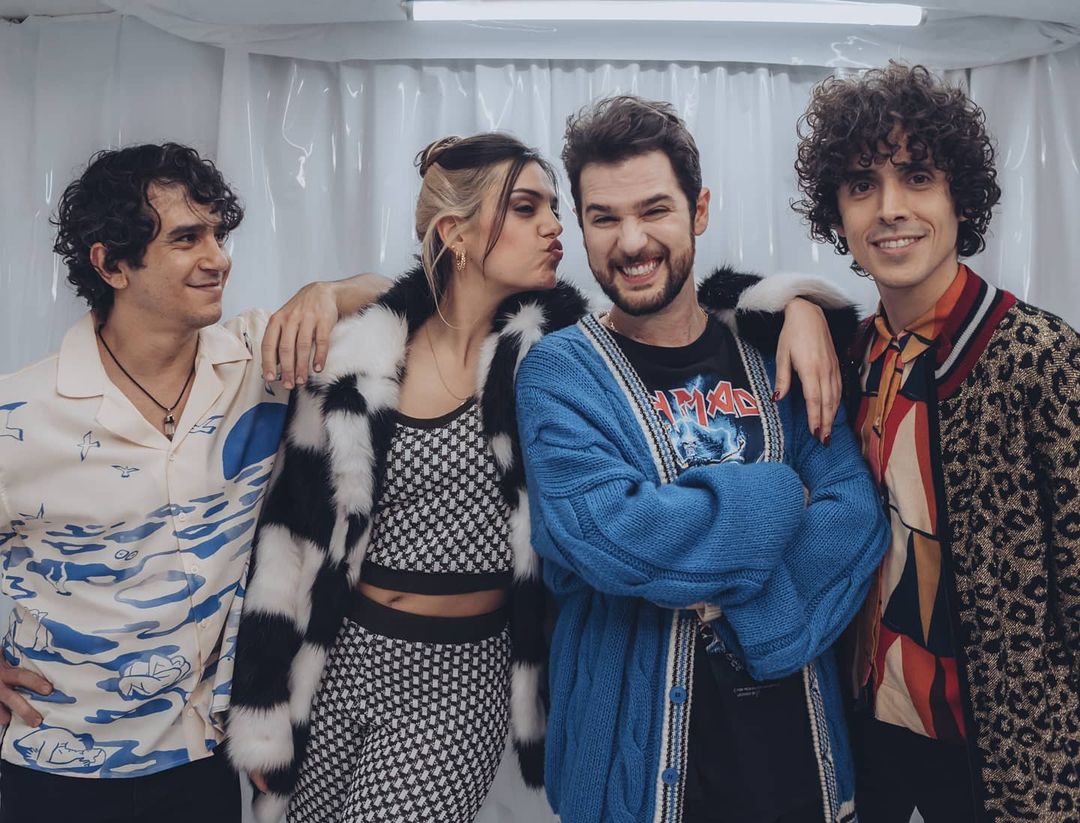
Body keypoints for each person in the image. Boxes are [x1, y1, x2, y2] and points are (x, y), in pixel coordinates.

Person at [515, 94, 890, 823]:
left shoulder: (773, 351)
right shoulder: (560, 372)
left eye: (654, 210)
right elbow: (607, 534)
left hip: (797, 765)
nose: (631, 242)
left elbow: (853, 516)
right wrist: (779, 493)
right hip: (632, 786)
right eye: (604, 218)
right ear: (582, 227)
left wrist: (750, 610)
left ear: (700, 210)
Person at [0, 142, 385, 823]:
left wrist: (325, 293)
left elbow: (414, 300)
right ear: (111, 264)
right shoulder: (19, 415)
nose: (218, 258)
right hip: (55, 765)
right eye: (186, 239)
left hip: (201, 762)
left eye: (217, 234)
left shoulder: (262, 359)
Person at [791, 63, 1079, 822]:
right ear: (837, 213)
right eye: (862, 184)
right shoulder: (845, 358)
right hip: (867, 724)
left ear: (960, 196)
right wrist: (797, 306)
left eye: (917, 176)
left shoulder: (1039, 356)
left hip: (1007, 748)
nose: (891, 208)